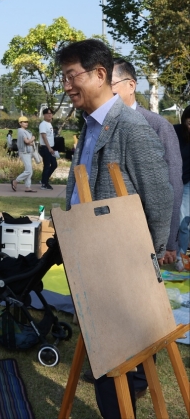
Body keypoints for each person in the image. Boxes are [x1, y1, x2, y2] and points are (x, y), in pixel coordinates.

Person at [57, 39, 173, 419]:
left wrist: (144, 261)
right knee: (105, 360)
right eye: (64, 78)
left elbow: (159, 200)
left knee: (117, 365)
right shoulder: (92, 124)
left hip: (120, 267)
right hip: (88, 259)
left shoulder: (131, 128)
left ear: (100, 74)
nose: (67, 85)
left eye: (72, 76)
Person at [110, 58, 182, 266]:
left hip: (143, 233)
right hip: (107, 229)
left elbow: (172, 186)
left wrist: (168, 242)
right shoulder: (101, 125)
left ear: (131, 85)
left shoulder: (157, 126)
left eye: (111, 84)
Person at [174, 106, 190, 270]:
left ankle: (181, 256)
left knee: (184, 220)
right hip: (175, 180)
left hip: (188, 182)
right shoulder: (175, 132)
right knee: (180, 220)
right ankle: (179, 256)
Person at [11, 116, 36, 192]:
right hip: (24, 152)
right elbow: (27, 141)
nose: (26, 123)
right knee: (28, 170)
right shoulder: (21, 131)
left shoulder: (26, 131)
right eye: (24, 122)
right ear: (20, 123)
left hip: (27, 152)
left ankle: (28, 187)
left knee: (29, 170)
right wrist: (33, 138)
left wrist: (30, 142)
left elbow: (28, 143)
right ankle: (16, 181)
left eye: (27, 121)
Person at [38, 108, 58, 190]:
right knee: (47, 165)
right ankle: (44, 184)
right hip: (46, 148)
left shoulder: (49, 124)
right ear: (44, 115)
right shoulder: (43, 124)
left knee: (54, 165)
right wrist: (49, 148)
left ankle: (44, 179)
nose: (50, 115)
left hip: (50, 148)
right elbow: (44, 136)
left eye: (51, 113)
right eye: (48, 113)